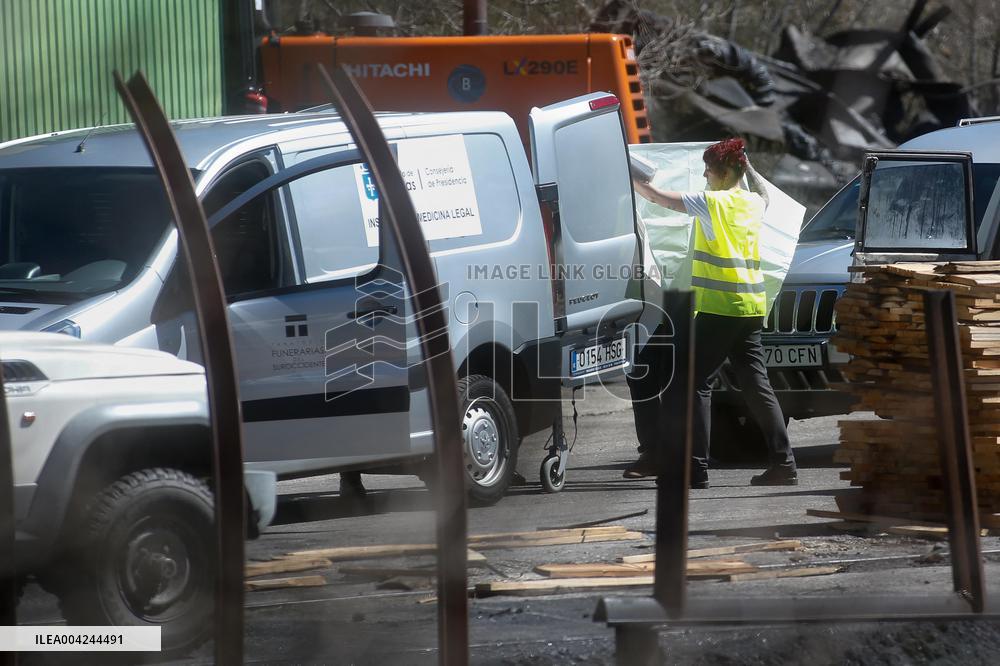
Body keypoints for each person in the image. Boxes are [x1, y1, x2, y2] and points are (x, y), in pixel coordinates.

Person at [622, 138, 798, 488]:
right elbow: (765, 195)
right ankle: (784, 464)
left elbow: (655, 196)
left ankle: (694, 469)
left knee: (692, 385)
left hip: (719, 309)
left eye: (708, 169)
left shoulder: (710, 203)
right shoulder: (752, 203)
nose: (704, 175)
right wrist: (748, 168)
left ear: (725, 171)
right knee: (757, 386)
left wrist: (623, 169)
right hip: (750, 308)